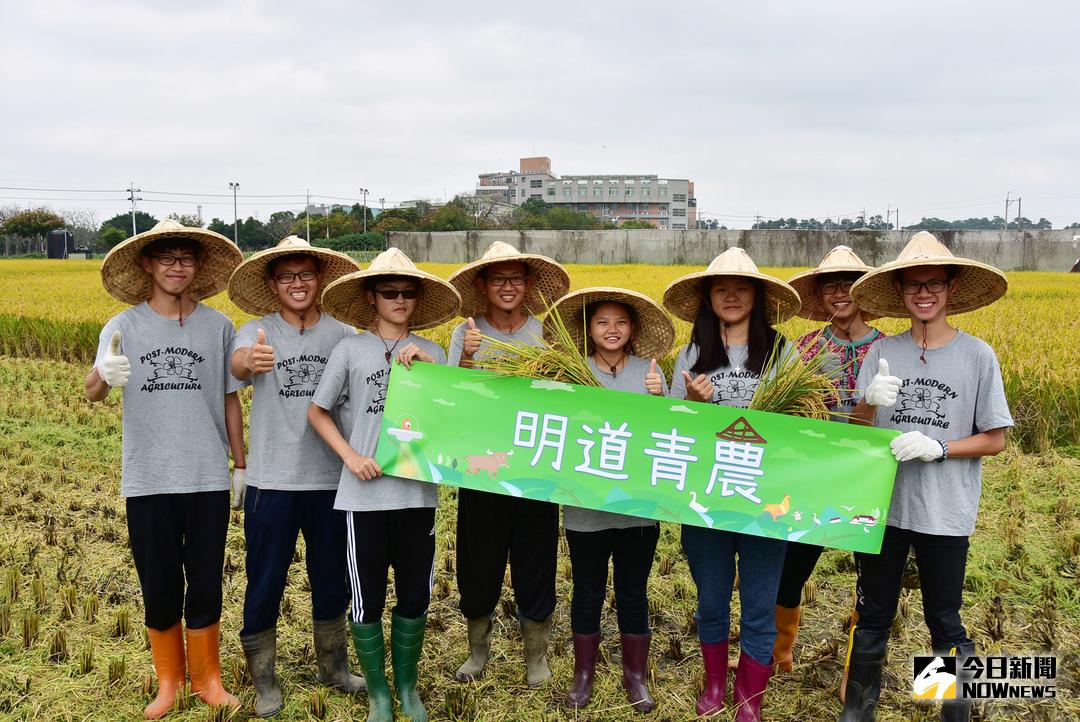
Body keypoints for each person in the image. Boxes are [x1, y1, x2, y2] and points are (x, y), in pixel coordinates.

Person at [839, 232, 1012, 722]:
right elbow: (856, 429)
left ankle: (951, 711)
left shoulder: (977, 356)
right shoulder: (882, 352)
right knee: (874, 613)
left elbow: (995, 438)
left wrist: (941, 447)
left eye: (934, 283)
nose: (924, 293)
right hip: (883, 507)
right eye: (913, 284)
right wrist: (869, 399)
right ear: (900, 292)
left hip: (945, 509)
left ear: (951, 288)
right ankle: (859, 711)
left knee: (944, 619)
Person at [85, 219, 244, 719]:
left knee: (207, 580)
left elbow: (230, 399)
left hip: (207, 476)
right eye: (167, 258)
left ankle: (208, 678)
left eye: (186, 258)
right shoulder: (123, 326)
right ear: (148, 265)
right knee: (158, 582)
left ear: (197, 267)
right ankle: (169, 681)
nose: (178, 267)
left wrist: (240, 464)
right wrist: (103, 373)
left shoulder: (219, 327)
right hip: (149, 478)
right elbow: (92, 392)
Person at [308, 247, 461, 722]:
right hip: (364, 499)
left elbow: (450, 420)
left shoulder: (432, 352)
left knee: (415, 595)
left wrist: (433, 372)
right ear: (371, 298)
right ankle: (378, 692)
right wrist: (351, 457)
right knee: (366, 598)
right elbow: (318, 411)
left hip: (416, 494)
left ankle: (407, 687)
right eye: (389, 292)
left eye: (407, 293)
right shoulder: (350, 350)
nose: (399, 300)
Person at [226, 237, 362, 717]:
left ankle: (334, 666)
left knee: (332, 579)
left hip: (331, 480)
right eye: (287, 277)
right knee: (265, 580)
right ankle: (264, 678)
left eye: (305, 274)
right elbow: (238, 364)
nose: (297, 284)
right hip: (272, 482)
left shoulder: (344, 334)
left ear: (319, 279)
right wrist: (250, 361)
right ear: (272, 285)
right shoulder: (255, 331)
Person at [664, 247, 801, 722]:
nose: (731, 296)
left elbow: (801, 424)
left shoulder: (782, 352)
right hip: (707, 494)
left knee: (760, 602)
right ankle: (715, 683)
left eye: (741, 288)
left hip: (765, 496)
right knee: (711, 597)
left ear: (757, 296)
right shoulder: (692, 352)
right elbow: (673, 427)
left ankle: (749, 699)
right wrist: (692, 402)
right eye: (721, 289)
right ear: (708, 297)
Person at [445, 241, 570, 687]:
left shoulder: (547, 334)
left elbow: (567, 396)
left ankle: (536, 654)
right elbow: (451, 399)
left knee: (536, 560)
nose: (507, 287)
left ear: (528, 284)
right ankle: (477, 650)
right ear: (482, 285)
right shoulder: (466, 333)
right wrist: (466, 357)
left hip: (535, 467)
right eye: (498, 279)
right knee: (478, 560)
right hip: (481, 468)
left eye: (515, 278)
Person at [544, 287, 674, 713]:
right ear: (589, 329)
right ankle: (583, 675)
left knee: (633, 591)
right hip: (585, 507)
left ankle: (635, 676)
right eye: (602, 322)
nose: (611, 329)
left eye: (620, 322)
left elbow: (672, 434)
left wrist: (661, 398)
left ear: (632, 329)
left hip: (638, 508)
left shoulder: (650, 373)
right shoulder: (571, 372)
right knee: (587, 590)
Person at [774, 246, 886, 677]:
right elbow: (784, 412)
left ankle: (857, 670)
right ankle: (780, 654)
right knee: (791, 568)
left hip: (868, 476)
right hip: (814, 476)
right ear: (819, 297)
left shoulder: (885, 347)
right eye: (829, 287)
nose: (839, 294)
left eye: (847, 285)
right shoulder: (804, 348)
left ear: (862, 292)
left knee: (870, 577)